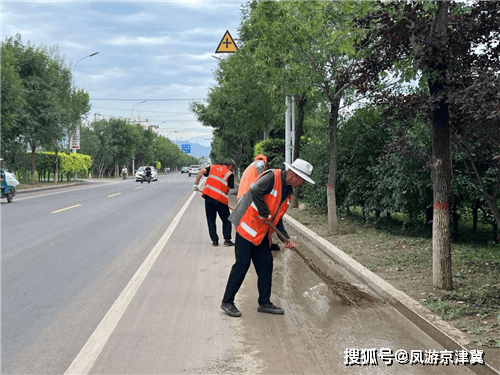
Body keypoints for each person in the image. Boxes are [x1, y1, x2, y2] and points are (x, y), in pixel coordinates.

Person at [221, 158, 315, 317]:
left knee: (266, 264)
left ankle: (264, 303)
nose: (302, 184)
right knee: (242, 264)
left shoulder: (288, 192)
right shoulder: (273, 177)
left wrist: (286, 238)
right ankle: (227, 302)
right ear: (293, 174)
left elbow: (277, 218)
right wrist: (264, 212)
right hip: (247, 227)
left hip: (260, 233)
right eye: (302, 180)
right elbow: (254, 190)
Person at [237, 155, 281, 251]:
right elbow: (259, 182)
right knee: (260, 222)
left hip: (243, 195)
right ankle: (261, 245)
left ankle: (262, 244)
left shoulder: (250, 167)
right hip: (248, 196)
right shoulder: (259, 164)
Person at [194, 158, 236, 247]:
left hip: (209, 198)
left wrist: (196, 184)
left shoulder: (212, 167)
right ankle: (227, 240)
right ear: (229, 166)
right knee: (226, 219)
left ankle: (215, 241)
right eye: (233, 167)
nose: (233, 169)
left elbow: (201, 171)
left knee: (211, 220)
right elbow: (228, 189)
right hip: (221, 200)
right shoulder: (230, 174)